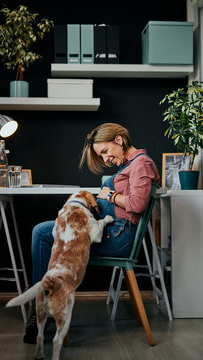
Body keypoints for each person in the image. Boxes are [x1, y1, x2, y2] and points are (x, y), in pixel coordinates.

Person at [23, 122, 160, 344]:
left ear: (119, 140)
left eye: (105, 152)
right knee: (44, 230)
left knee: (41, 233)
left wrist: (109, 195)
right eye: (101, 155)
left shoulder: (141, 163)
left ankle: (42, 306)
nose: (105, 159)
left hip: (117, 238)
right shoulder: (131, 164)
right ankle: (45, 304)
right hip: (111, 231)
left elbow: (137, 203)